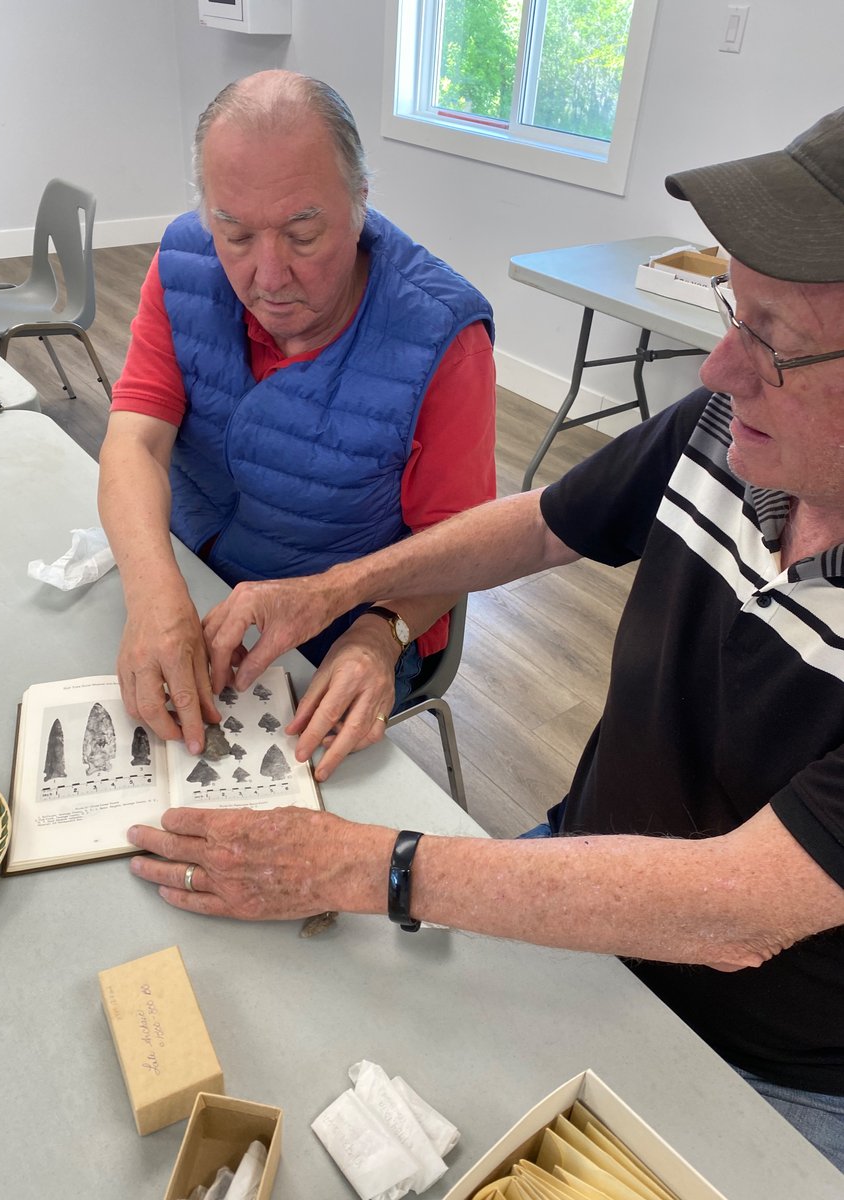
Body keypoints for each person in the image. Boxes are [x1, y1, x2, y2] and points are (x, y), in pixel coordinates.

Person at [127, 109, 844, 1170]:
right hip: (581, 890)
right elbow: (546, 522)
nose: (717, 370)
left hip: (761, 1062)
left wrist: (374, 868)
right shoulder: (728, 434)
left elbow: (732, 912)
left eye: (774, 338)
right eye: (731, 313)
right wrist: (337, 593)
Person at [97, 70, 496, 771]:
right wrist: (155, 589)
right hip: (191, 587)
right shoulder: (182, 262)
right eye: (236, 233)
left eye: (303, 233)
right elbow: (135, 437)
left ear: (360, 202)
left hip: (345, 633)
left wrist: (382, 630)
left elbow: (463, 545)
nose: (269, 276)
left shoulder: (442, 338)